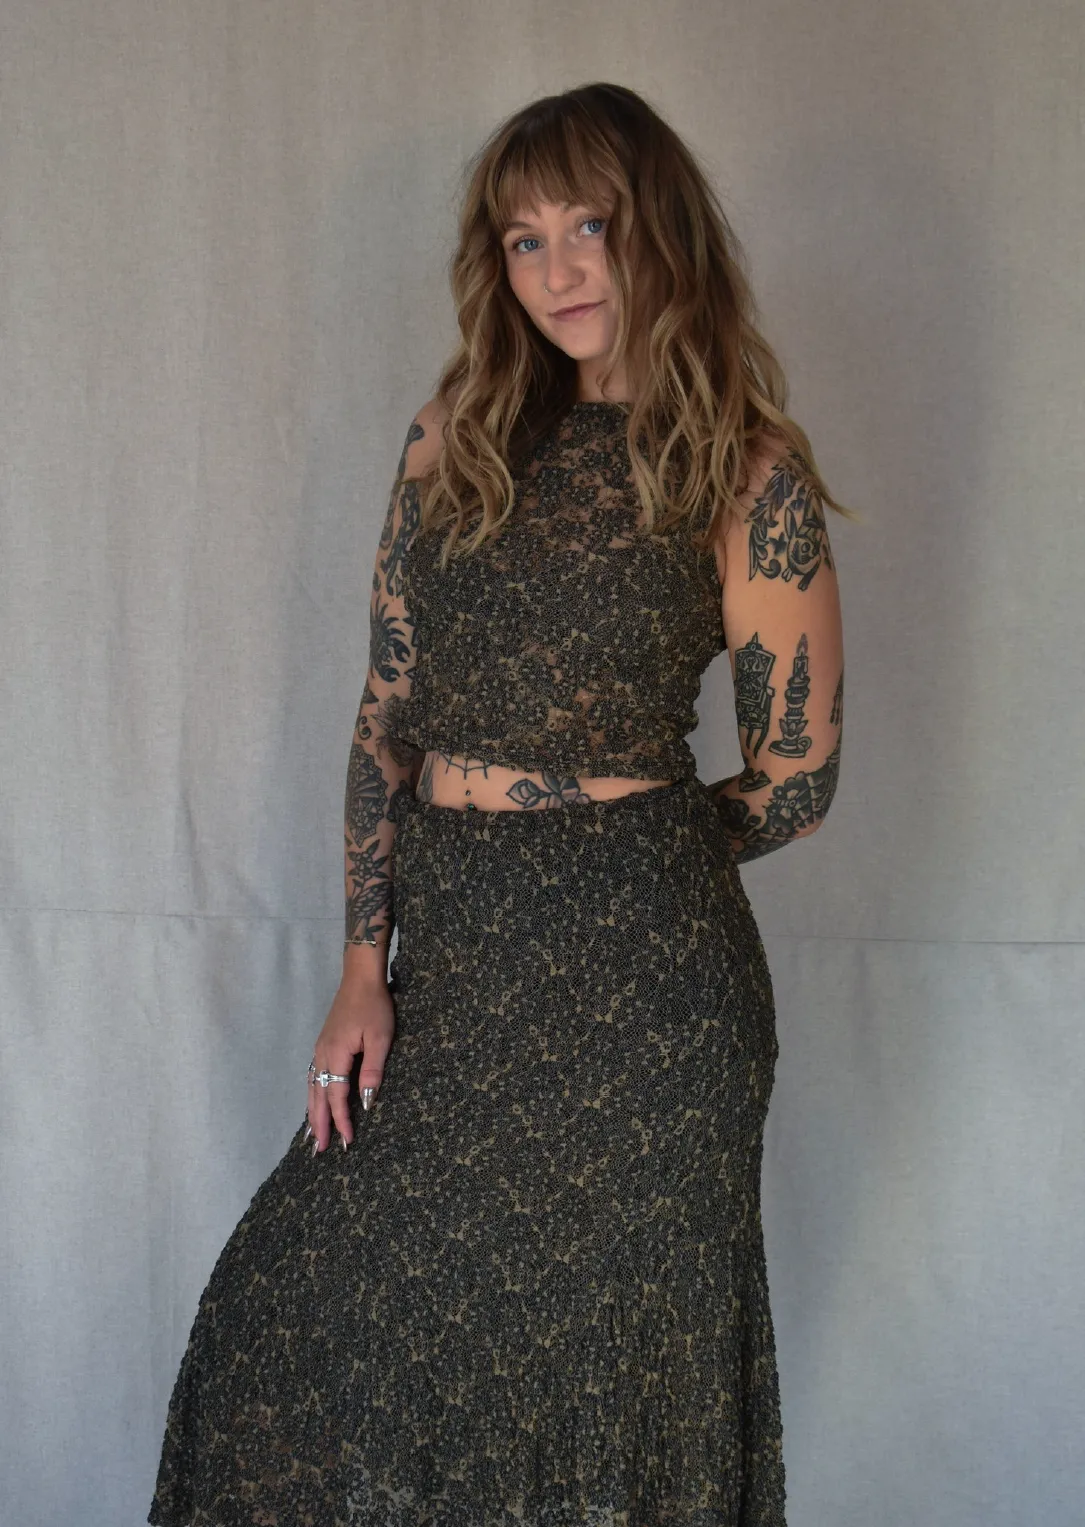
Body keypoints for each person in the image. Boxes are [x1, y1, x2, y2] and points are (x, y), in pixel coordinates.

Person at [149, 80, 850, 1527]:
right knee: (281, 1330)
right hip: (457, 970)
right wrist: (363, 966)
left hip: (649, 1006)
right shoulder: (452, 437)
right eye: (526, 240)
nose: (560, 270)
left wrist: (609, 852)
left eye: (590, 225)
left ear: (660, 230)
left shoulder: (746, 472)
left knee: (599, 1402)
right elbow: (385, 722)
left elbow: (798, 778)